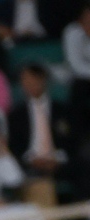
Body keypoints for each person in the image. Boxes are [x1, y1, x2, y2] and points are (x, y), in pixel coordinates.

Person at [8, 63, 76, 201]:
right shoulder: (16, 115)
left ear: (43, 79)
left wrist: (58, 158)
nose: (28, 84)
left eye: (32, 79)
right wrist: (31, 159)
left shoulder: (63, 110)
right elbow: (14, 145)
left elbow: (74, 140)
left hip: (60, 163)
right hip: (30, 164)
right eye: (24, 80)